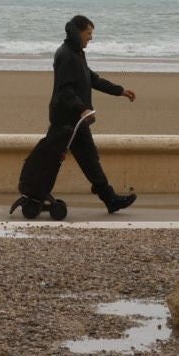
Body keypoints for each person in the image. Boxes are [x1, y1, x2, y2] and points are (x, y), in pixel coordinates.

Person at [49, 14, 137, 213]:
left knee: (89, 158)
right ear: (78, 32)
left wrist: (119, 91)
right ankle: (36, 192)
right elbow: (65, 91)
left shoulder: (77, 53)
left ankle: (109, 197)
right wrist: (83, 109)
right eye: (88, 33)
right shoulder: (66, 55)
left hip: (76, 120)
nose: (91, 37)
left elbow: (92, 79)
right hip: (66, 119)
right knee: (51, 158)